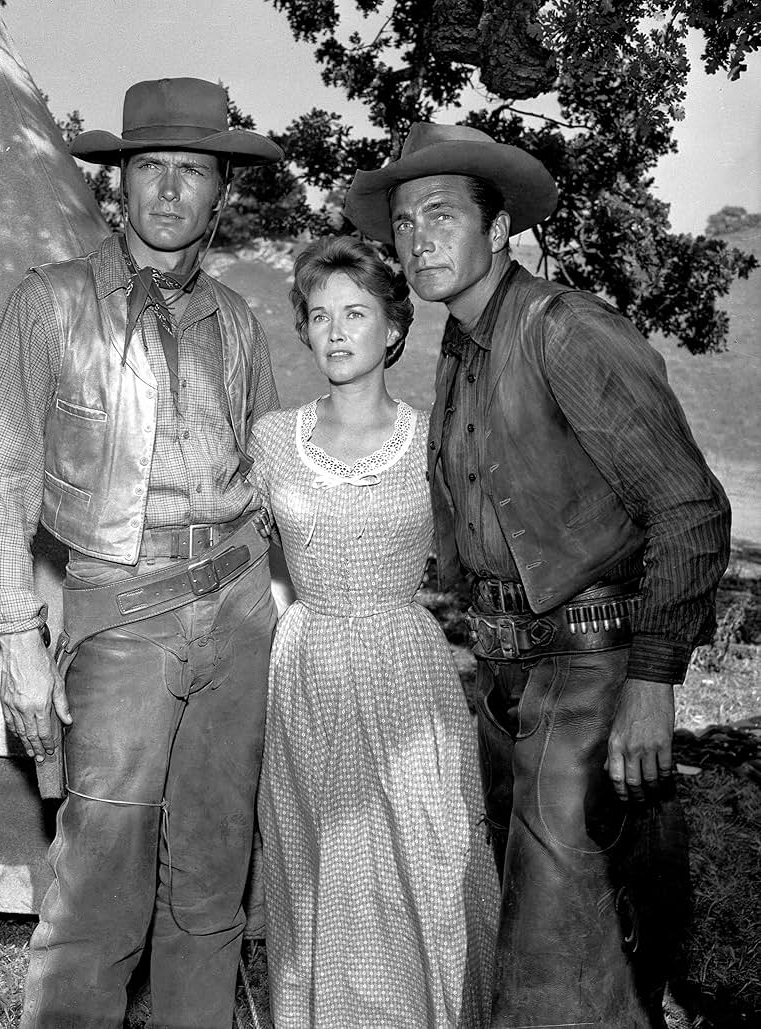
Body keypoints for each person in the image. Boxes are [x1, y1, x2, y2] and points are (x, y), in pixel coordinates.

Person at [343, 122, 732, 1028]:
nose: (420, 237)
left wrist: (652, 681)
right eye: (403, 223)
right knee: (541, 922)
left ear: (498, 227)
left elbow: (690, 509)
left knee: (553, 950)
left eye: (443, 214)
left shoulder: (566, 331)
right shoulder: (459, 348)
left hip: (589, 665)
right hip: (506, 675)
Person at [0, 77, 283, 1029]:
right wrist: (20, 640)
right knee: (99, 883)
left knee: (213, 873)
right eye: (151, 167)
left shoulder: (235, 321)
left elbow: (265, 467)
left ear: (221, 189)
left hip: (237, 606)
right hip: (120, 609)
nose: (171, 189)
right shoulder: (50, 304)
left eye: (192, 170)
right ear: (119, 181)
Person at [247, 236, 498, 1028]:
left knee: (422, 853)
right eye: (318, 315)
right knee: (323, 861)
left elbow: (480, 553)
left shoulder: (433, 439)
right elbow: (242, 552)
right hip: (308, 661)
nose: (336, 331)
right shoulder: (272, 441)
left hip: (404, 662)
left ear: (393, 328)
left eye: (356, 312)